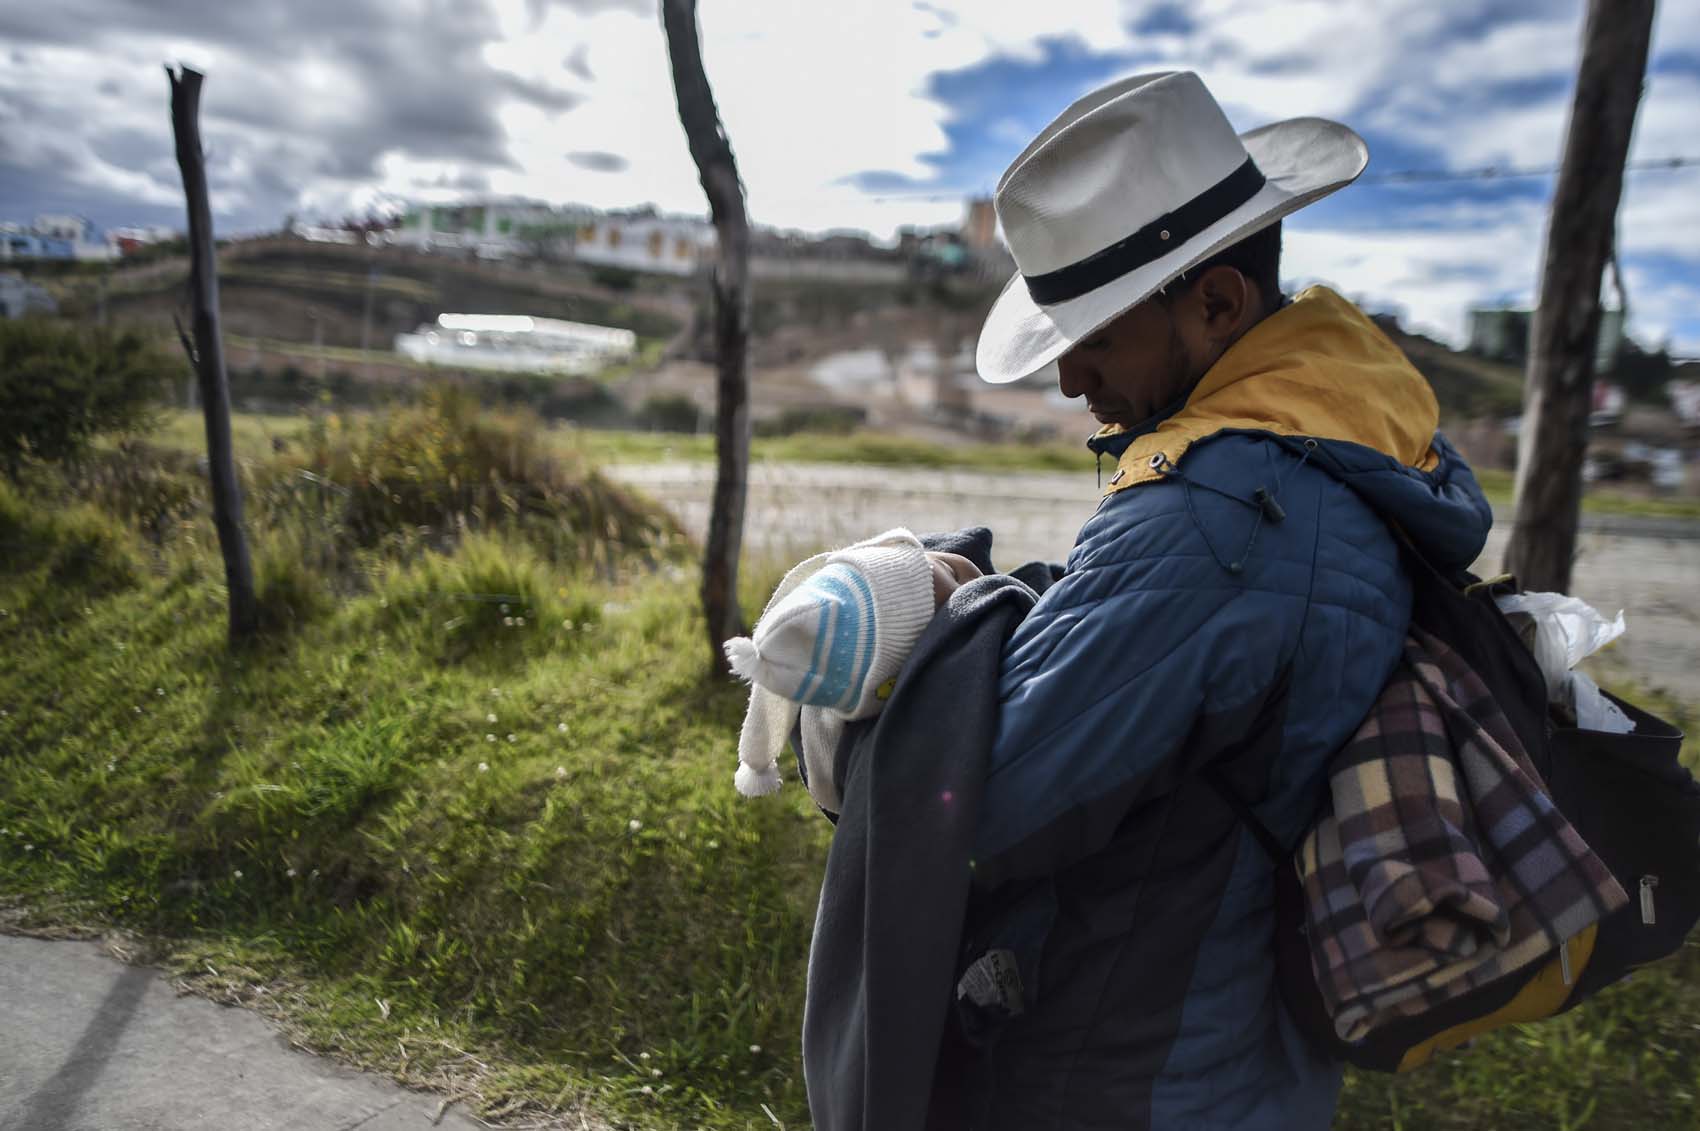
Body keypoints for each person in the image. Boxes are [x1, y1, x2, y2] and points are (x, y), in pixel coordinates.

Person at [954, 71, 1495, 1128]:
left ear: (1212, 303)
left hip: (1125, 1061)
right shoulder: (1338, 445)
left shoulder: (1214, 513)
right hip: (1250, 1046)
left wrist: (884, 670)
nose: (1068, 382)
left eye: (1094, 338)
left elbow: (985, 802)